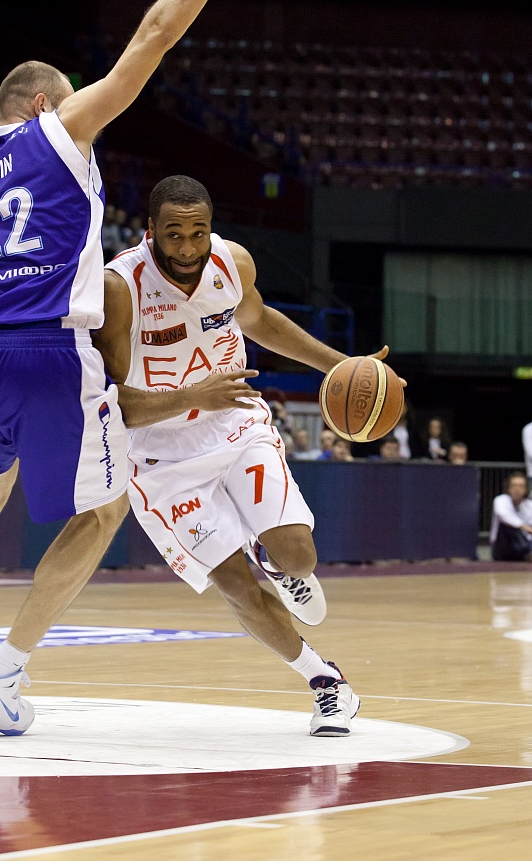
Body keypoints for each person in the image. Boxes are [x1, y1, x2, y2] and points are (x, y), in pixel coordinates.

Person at [0, 0, 245, 737]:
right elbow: (153, 35)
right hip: (51, 347)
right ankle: (3, 679)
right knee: (104, 509)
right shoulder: (63, 130)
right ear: (49, 105)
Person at [94, 176, 401, 736]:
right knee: (233, 584)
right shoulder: (121, 288)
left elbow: (258, 320)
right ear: (150, 233)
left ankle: (272, 557)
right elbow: (112, 405)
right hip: (158, 456)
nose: (188, 248)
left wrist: (338, 365)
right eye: (174, 235)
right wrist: (191, 396)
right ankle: (325, 682)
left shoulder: (232, 263)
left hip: (234, 425)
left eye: (198, 232)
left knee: (300, 559)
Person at [490, 471, 532, 562]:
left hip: (524, 541)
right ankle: (531, 553)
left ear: (526, 489)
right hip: (503, 546)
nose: (517, 489)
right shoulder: (501, 500)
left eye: (521, 486)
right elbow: (504, 517)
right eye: (514, 486)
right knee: (508, 526)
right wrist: (526, 528)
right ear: (508, 488)